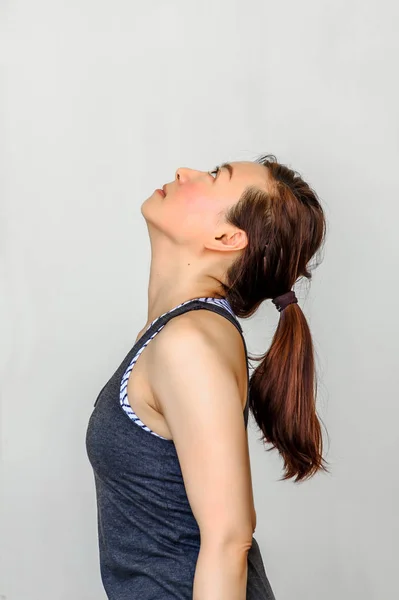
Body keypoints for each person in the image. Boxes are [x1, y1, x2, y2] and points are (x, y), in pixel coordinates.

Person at [86, 154, 328, 599]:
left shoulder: (190, 342)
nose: (184, 172)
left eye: (215, 177)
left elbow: (229, 539)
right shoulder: (177, 332)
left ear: (226, 236)